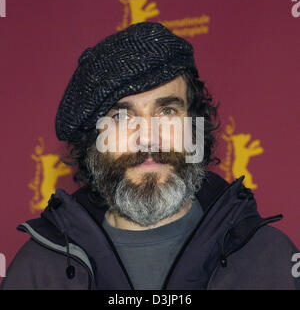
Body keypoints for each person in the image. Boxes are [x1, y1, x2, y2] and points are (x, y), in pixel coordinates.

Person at [1, 22, 299, 290]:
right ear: (93, 141)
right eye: (121, 118)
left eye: (167, 111)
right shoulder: (40, 270)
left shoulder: (270, 258)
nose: (147, 137)